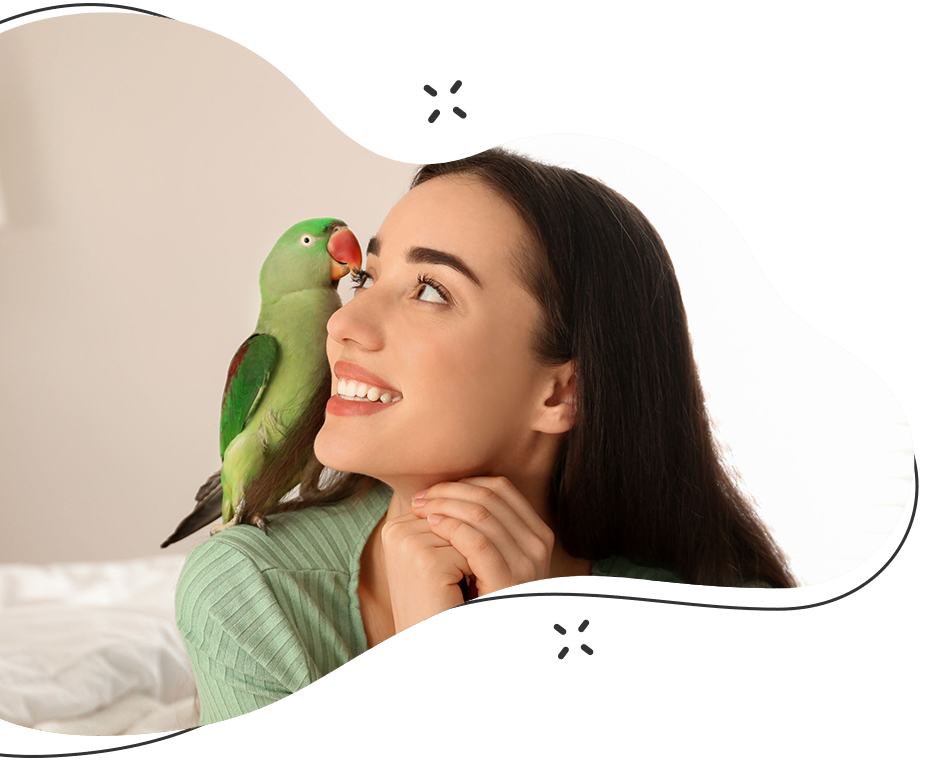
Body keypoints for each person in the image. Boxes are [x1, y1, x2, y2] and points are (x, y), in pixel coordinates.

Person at [175, 146, 799, 725]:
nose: (344, 323)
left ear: (561, 392)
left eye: (429, 290)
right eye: (367, 278)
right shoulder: (253, 593)